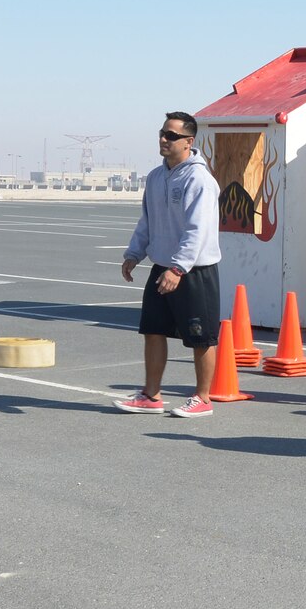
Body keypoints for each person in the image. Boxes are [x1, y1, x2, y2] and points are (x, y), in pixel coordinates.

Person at [115, 112, 222, 417]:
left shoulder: (199, 179)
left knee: (200, 338)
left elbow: (197, 229)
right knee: (153, 330)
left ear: (189, 142)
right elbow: (148, 220)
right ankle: (151, 396)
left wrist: (178, 269)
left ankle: (203, 399)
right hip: (163, 267)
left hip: (193, 271)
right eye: (162, 133)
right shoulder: (156, 177)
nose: (164, 139)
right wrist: (134, 253)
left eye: (172, 136)